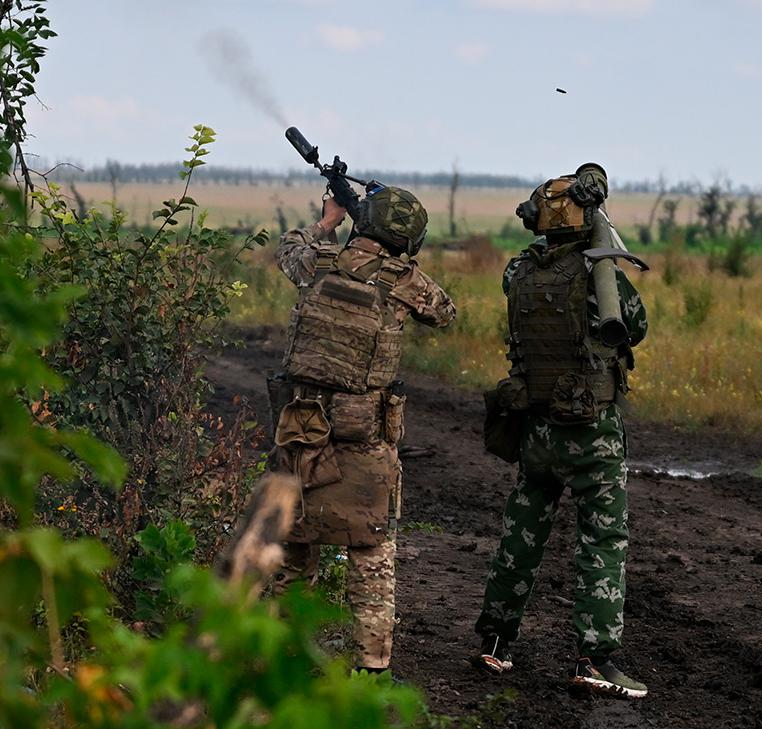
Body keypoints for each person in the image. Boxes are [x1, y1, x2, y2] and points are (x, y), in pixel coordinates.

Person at [474, 164, 650, 698]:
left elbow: (528, 258)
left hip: (537, 430)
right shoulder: (601, 279)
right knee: (603, 540)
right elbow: (635, 327)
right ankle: (594, 658)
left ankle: (497, 642)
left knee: (522, 532)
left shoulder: (518, 274)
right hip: (592, 433)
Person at [267, 188, 455, 673]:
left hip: (301, 433)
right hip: (366, 438)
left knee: (293, 548)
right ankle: (371, 668)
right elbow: (444, 313)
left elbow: (287, 249)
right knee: (371, 554)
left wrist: (326, 222)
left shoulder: (319, 261)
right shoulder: (406, 281)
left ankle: (282, 657)